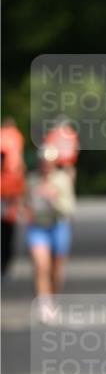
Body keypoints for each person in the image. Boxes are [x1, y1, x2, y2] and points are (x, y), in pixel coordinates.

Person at [25, 144, 76, 322]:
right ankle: (44, 305)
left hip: (57, 226)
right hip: (37, 227)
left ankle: (52, 300)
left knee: (55, 269)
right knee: (41, 266)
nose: (45, 165)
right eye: (42, 162)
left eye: (48, 162)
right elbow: (24, 205)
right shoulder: (31, 180)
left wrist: (53, 198)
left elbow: (69, 208)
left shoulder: (62, 180)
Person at [0, 118, 26, 277]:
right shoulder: (16, 137)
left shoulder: (6, 136)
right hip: (10, 190)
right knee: (8, 230)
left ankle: (5, 262)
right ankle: (5, 262)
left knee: (6, 230)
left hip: (7, 190)